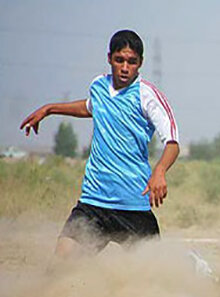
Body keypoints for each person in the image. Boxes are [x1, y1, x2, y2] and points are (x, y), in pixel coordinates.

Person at [20, 30, 180, 258]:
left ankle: (196, 268)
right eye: (119, 60)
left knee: (156, 276)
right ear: (109, 58)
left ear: (140, 63)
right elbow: (89, 107)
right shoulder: (98, 86)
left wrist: (160, 171)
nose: (125, 67)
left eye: (132, 62)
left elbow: (173, 142)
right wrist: (49, 109)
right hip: (93, 203)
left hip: (133, 206)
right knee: (60, 268)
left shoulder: (147, 96)